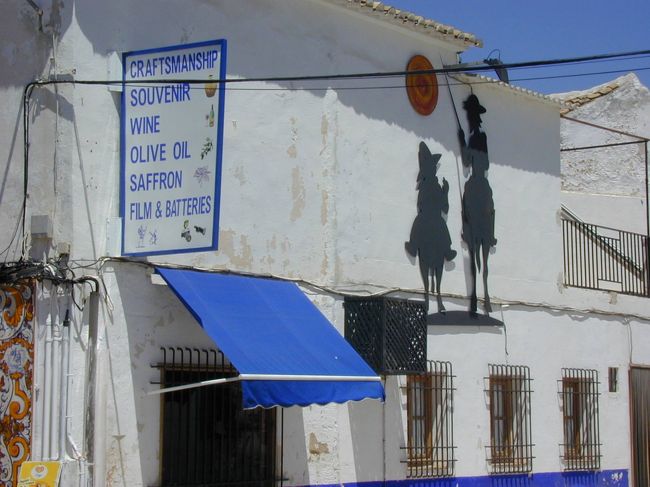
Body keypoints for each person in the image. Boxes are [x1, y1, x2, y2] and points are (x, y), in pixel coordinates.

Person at [405, 142, 456, 313]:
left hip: (435, 218)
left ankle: (447, 251)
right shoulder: (425, 186)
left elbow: (445, 208)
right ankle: (413, 246)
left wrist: (446, 192)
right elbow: (420, 205)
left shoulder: (438, 186)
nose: (434, 169)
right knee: (418, 224)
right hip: (427, 216)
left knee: (443, 230)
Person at [458, 94, 496, 313]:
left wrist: (465, 144)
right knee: (468, 203)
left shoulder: (480, 137)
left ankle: (486, 234)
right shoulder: (474, 136)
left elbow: (482, 162)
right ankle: (476, 296)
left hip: (479, 181)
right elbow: (467, 162)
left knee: (488, 207)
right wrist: (463, 141)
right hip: (476, 182)